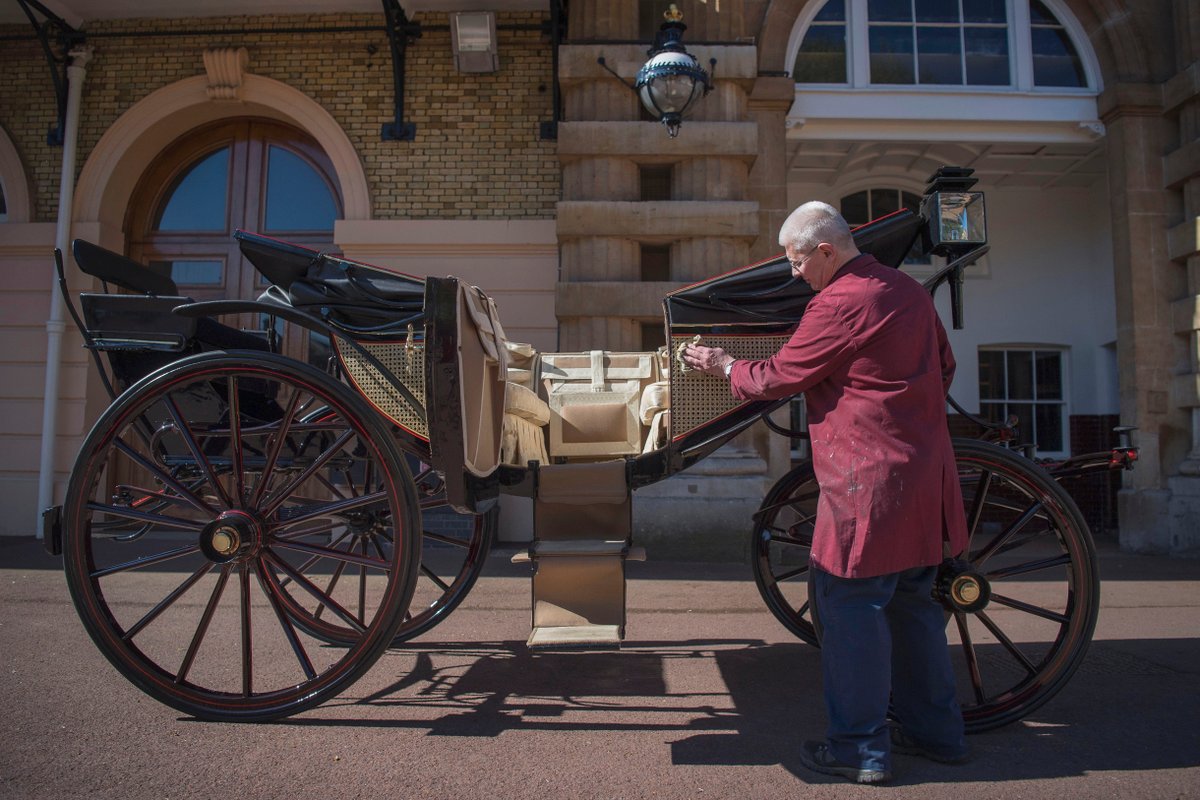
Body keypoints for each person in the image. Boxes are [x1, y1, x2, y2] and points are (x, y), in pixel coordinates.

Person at [682, 201, 970, 785]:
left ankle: (859, 750)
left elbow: (779, 377)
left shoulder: (839, 301)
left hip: (867, 482)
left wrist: (721, 363)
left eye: (795, 261)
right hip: (924, 478)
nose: (792, 273)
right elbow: (945, 365)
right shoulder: (908, 290)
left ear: (825, 251)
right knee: (915, 607)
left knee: (848, 610)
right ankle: (937, 734)